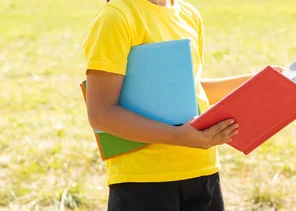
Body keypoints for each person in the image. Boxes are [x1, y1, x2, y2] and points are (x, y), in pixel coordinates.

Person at [82, 0, 283, 210]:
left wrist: (256, 81)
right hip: (144, 180)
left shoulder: (189, 15)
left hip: (202, 172)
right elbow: (101, 113)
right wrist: (179, 136)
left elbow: (188, 89)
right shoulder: (116, 17)